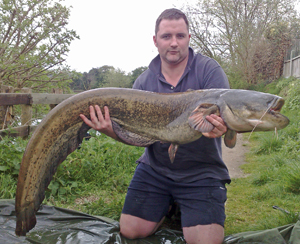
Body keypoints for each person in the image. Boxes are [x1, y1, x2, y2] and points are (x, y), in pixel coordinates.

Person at [80, 8, 230, 244]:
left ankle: (186, 205)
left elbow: (226, 118)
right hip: (155, 169)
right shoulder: (143, 82)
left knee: (204, 242)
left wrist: (222, 128)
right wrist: (108, 129)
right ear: (155, 40)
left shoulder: (209, 71)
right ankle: (169, 205)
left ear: (189, 38)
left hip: (202, 173)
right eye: (166, 36)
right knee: (130, 230)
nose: (173, 43)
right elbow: (136, 136)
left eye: (180, 36)